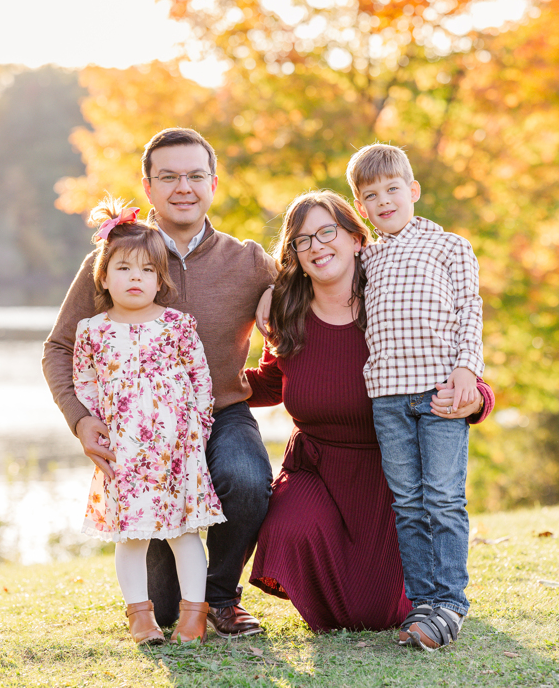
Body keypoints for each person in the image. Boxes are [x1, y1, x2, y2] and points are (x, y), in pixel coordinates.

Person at [43, 128, 277, 638]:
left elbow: (308, 289)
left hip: (219, 412)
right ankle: (162, 606)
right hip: (138, 431)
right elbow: (60, 348)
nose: (183, 187)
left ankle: (219, 597)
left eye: (195, 176)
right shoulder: (115, 257)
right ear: (148, 188)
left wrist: (273, 298)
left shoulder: (249, 260)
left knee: (246, 476)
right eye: (168, 177)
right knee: (164, 607)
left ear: (213, 183)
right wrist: (81, 420)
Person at [246, 190, 494, 633]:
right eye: (304, 241)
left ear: (357, 238)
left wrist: (476, 399)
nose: (318, 246)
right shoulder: (288, 313)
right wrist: (198, 387)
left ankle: (426, 601)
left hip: (388, 478)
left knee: (376, 614)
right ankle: (328, 595)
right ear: (295, 254)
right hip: (316, 468)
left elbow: (455, 368)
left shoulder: (394, 303)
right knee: (288, 528)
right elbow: (269, 381)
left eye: (328, 232)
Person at [346, 143, 485, 650]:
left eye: (392, 189)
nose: (384, 201)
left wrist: (468, 370)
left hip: (441, 391)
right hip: (386, 396)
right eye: (371, 195)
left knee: (444, 498)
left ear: (413, 190)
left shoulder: (450, 246)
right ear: (361, 206)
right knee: (407, 503)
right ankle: (423, 601)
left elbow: (470, 308)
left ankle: (450, 600)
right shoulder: (368, 257)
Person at [72, 198, 225, 644]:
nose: (135, 278)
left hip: (176, 450)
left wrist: (197, 432)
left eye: (146, 271)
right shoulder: (93, 330)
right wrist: (94, 423)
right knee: (130, 536)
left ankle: (194, 615)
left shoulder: (177, 325)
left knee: (184, 532)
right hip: (123, 451)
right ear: (103, 275)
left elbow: (200, 379)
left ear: (161, 280)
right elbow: (84, 380)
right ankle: (141, 616)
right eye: (123, 268)